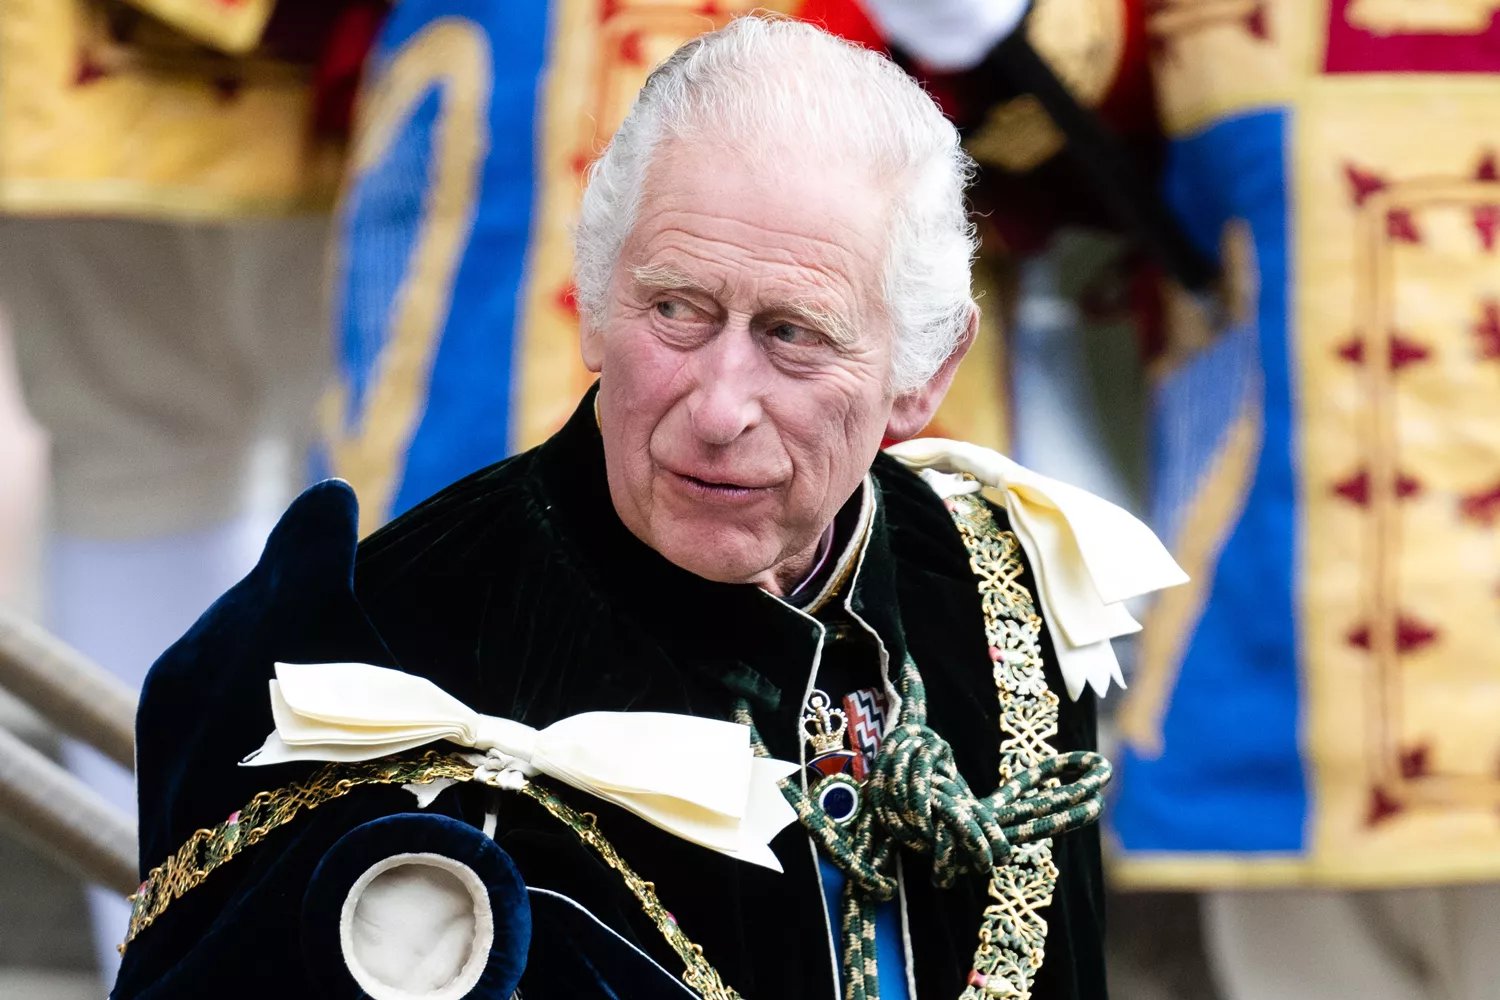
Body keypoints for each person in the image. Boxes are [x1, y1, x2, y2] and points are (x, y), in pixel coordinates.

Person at [114, 17, 1182, 999]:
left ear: (925, 371)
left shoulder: (1001, 589)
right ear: (594, 299)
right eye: (675, 311)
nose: (719, 409)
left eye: (794, 335)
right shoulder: (378, 660)